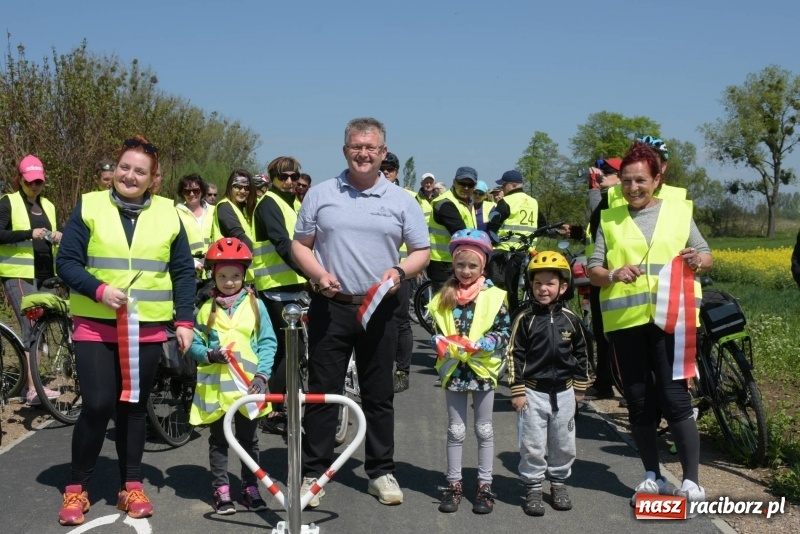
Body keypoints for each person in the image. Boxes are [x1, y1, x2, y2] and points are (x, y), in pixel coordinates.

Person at [55, 135, 196, 526]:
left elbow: (184, 271)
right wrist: (98, 290)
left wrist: (185, 320)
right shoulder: (89, 205)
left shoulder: (170, 213)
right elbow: (65, 262)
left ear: (154, 179)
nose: (129, 176)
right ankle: (76, 489)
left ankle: (130, 485)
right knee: (98, 404)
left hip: (147, 327)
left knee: (134, 407)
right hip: (95, 324)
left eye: (140, 171)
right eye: (124, 167)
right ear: (115, 169)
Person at [292, 117, 429, 507]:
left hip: (380, 309)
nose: (363, 153)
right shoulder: (320, 194)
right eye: (356, 146)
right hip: (330, 306)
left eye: (371, 147)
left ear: (383, 153)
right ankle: (313, 475)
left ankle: (381, 470)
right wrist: (317, 273)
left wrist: (402, 270)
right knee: (321, 393)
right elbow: (300, 245)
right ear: (345, 150)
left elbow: (422, 251)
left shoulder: (403, 201)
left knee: (379, 393)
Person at [587, 141, 712, 512]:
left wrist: (698, 261)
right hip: (627, 323)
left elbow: (706, 254)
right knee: (639, 401)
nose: (632, 188)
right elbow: (593, 270)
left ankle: (691, 482)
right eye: (626, 181)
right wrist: (611, 273)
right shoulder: (609, 219)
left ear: (657, 179)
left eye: (640, 180)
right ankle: (651, 474)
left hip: (673, 319)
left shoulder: (678, 212)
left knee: (675, 398)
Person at [188, 237, 276, 515]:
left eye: (235, 276)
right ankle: (221, 489)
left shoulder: (255, 305)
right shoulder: (205, 309)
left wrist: (262, 375)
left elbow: (267, 342)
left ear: (244, 275)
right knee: (219, 440)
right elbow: (193, 344)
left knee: (249, 440)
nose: (229, 281)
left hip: (248, 387)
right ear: (213, 276)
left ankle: (250, 488)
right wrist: (209, 354)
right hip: (217, 391)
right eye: (223, 276)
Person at [428, 229, 509, 514]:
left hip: (482, 370)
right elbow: (437, 330)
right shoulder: (443, 296)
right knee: (456, 430)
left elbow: (503, 331)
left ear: (483, 266)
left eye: (472, 265)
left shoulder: (495, 296)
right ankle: (454, 485)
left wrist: (485, 343)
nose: (466, 270)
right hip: (454, 372)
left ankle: (485, 486)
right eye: (460, 265)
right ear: (453, 264)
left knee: (484, 429)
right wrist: (438, 341)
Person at [508, 251, 590, 516]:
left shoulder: (571, 320)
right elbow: (514, 355)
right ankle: (533, 486)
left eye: (550, 283)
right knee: (532, 443)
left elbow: (582, 353)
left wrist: (580, 384)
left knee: (563, 442)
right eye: (538, 283)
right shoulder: (525, 318)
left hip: (565, 392)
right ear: (531, 286)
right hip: (533, 392)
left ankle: (558, 483)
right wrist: (517, 389)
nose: (543, 289)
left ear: (563, 287)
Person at [0, 154, 62, 405]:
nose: (35, 186)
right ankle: (32, 389)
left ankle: (35, 382)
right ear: (20, 179)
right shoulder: (8, 202)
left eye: (39, 182)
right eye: (30, 182)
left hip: (46, 274)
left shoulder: (49, 205)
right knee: (30, 328)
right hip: (19, 274)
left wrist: (57, 235)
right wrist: (29, 234)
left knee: (42, 329)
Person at [252, 156, 307, 435]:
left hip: (294, 285)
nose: (289, 181)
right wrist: (312, 273)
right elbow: (284, 244)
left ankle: (280, 401)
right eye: (282, 177)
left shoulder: (294, 203)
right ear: (272, 177)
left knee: (295, 348)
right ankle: (270, 410)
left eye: (293, 176)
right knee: (286, 348)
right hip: (275, 286)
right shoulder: (269, 204)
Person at [487, 170, 545, 311]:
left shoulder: (506, 201)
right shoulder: (533, 202)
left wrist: (491, 241)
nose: (502, 189)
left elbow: (492, 225)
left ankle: (510, 320)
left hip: (506, 251)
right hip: (528, 251)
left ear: (511, 186)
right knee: (530, 287)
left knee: (506, 290)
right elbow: (543, 226)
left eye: (503, 185)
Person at [380, 152, 414, 393]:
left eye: (389, 169)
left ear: (397, 172)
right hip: (372, 273)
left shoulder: (408, 197)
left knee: (401, 322)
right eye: (382, 168)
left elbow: (420, 241)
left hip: (402, 272)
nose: (385, 172)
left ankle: (402, 371)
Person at [428, 167, 478, 291]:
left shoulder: (467, 202)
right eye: (462, 183)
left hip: (459, 259)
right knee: (445, 303)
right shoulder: (445, 203)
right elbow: (460, 231)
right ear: (454, 182)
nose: (466, 188)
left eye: (470, 185)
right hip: (442, 262)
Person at [213, 169, 257, 280]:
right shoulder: (224, 206)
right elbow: (237, 234)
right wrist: (260, 256)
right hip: (229, 273)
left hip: (242, 272)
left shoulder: (242, 209)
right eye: (237, 186)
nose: (243, 191)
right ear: (230, 187)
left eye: (246, 188)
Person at [174, 174, 216, 275]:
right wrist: (193, 263)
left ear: (202, 191)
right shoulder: (175, 213)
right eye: (187, 191)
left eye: (196, 190)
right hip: (188, 269)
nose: (192, 194)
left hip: (214, 268)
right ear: (182, 193)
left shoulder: (214, 211)